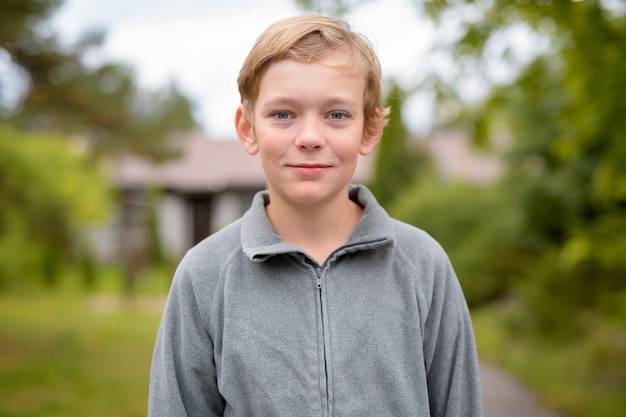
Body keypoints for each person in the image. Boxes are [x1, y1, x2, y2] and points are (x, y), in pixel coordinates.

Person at [148, 14, 483, 417]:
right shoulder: (203, 275)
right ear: (248, 128)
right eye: (283, 115)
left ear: (370, 129)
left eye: (336, 115)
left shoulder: (423, 265)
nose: (309, 138)